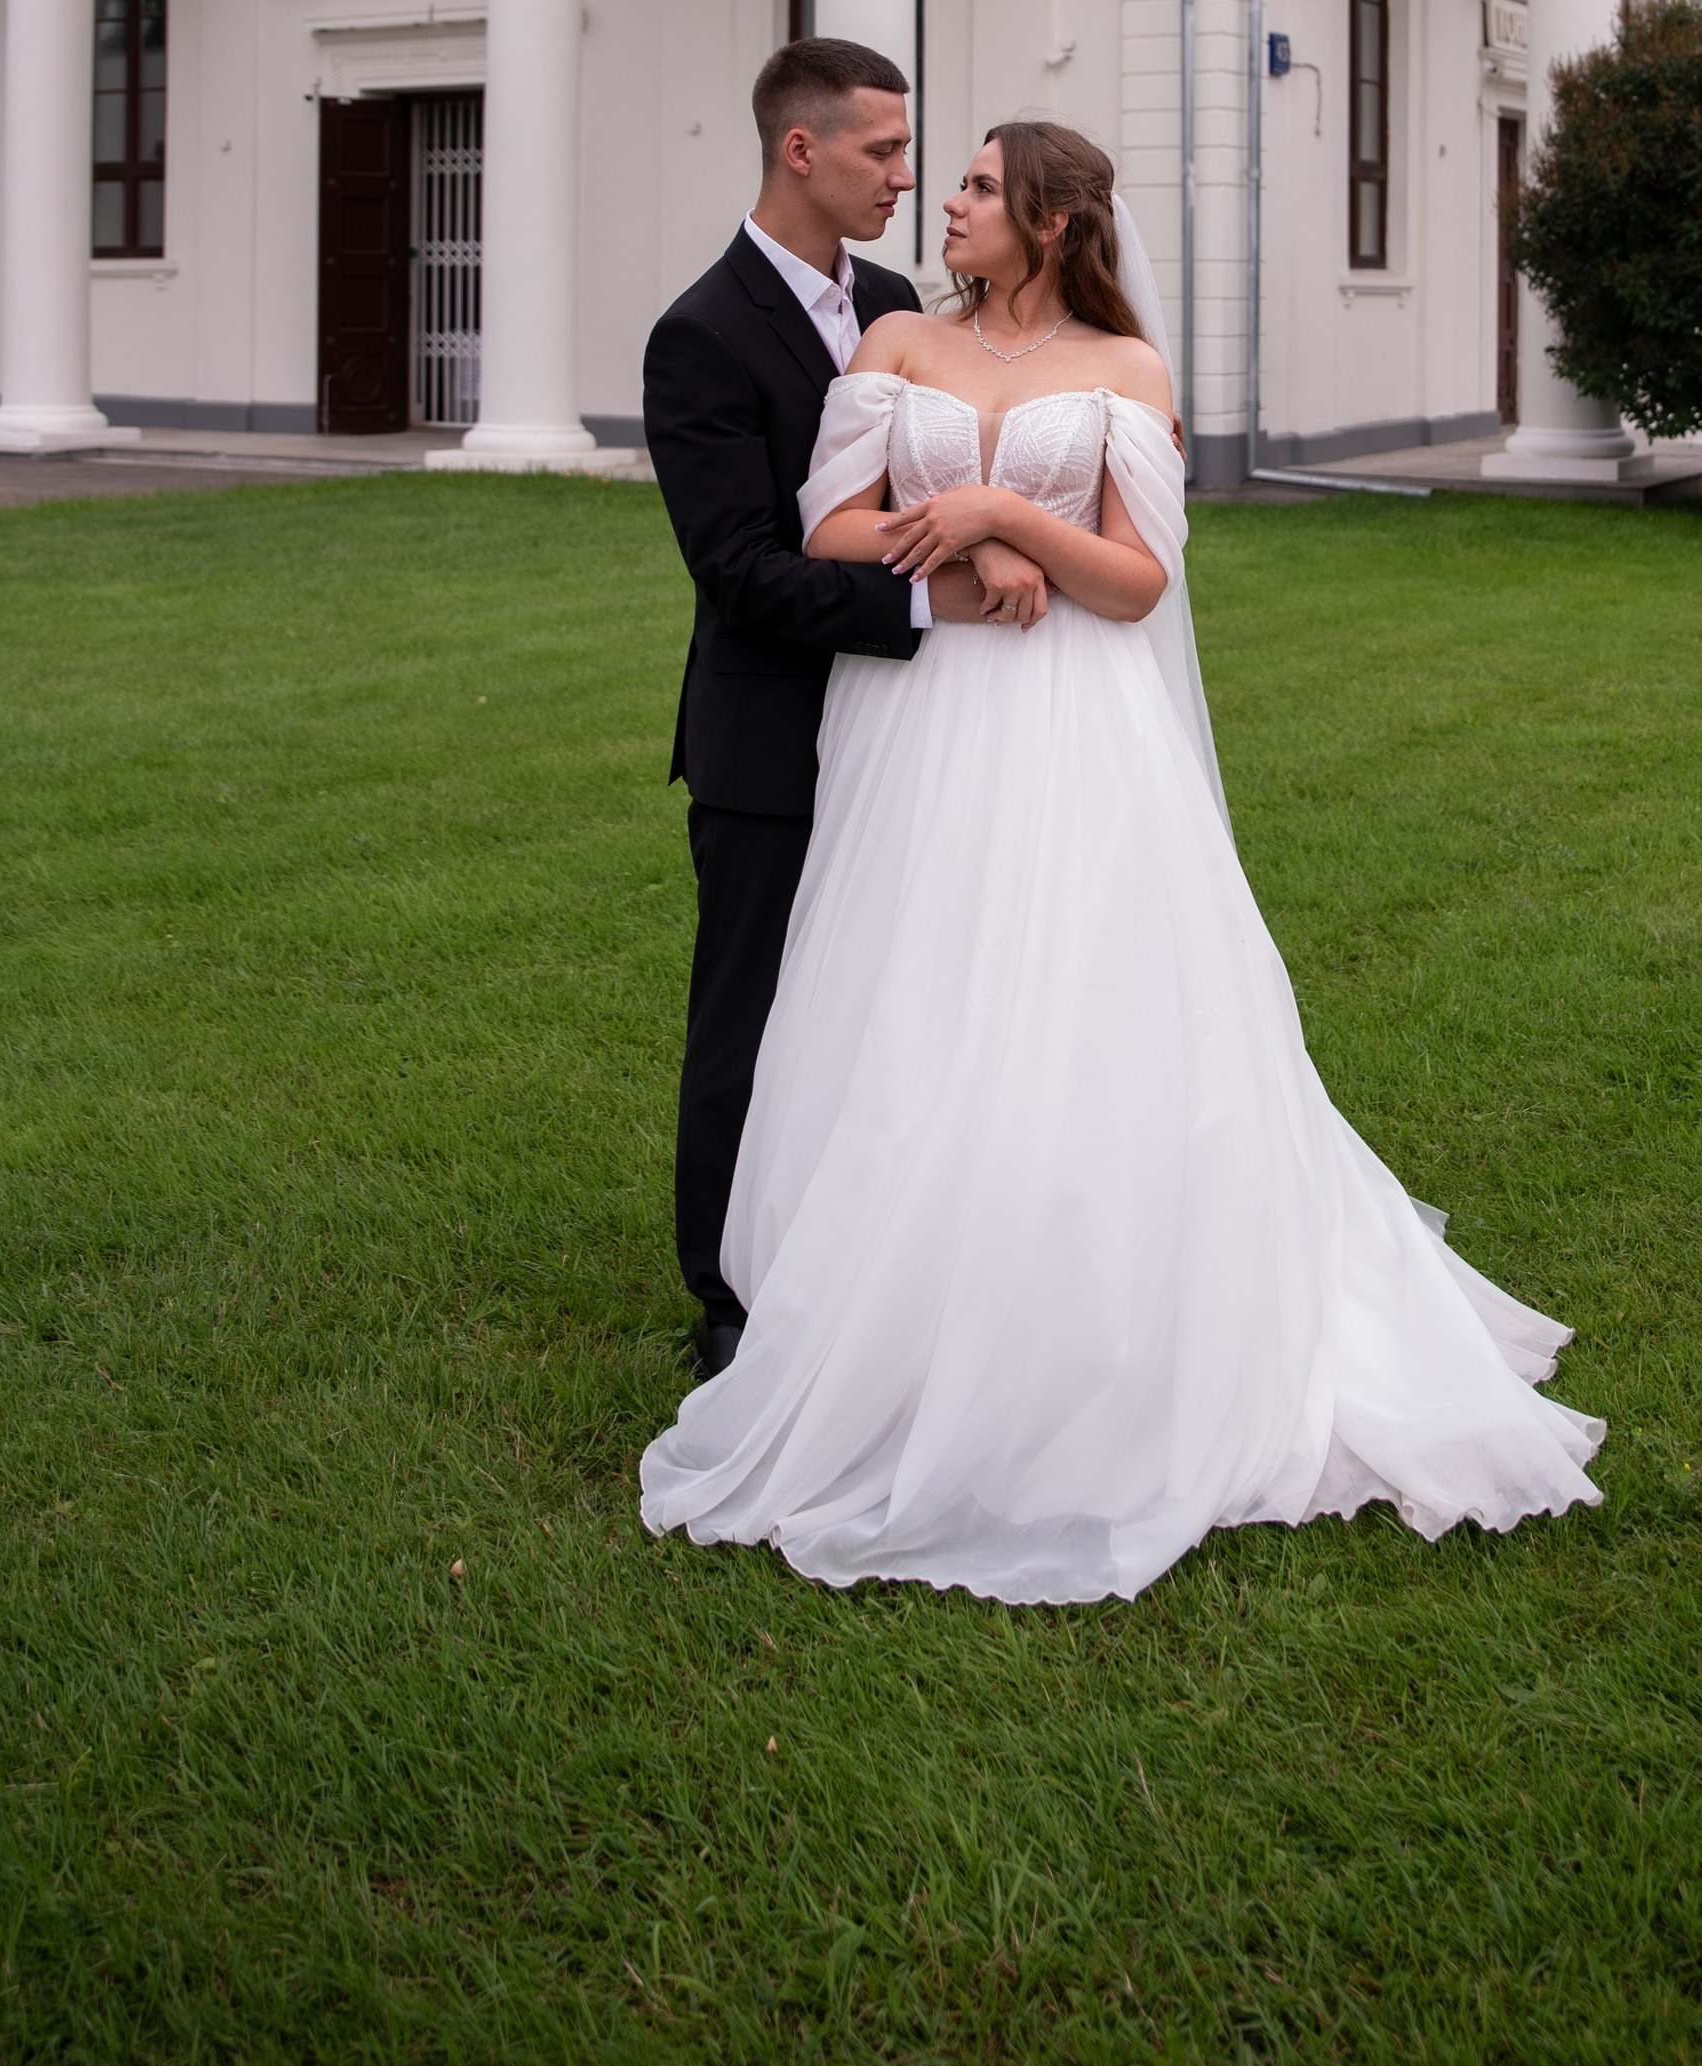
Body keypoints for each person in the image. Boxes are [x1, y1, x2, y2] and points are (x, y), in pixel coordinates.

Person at [641, 117, 1604, 1604]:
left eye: (972, 186)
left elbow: (1140, 584)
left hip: (1074, 727)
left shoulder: (1127, 371)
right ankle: (885, 1311)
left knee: (1077, 1002)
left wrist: (1011, 510)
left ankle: (1082, 1317)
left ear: (1047, 218)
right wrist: (966, 561)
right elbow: (825, 526)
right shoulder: (895, 340)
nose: (941, 204)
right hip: (916, 719)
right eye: (941, 178)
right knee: (908, 1004)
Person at [642, 40, 1046, 1387]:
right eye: (882, 151)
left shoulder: (890, 299)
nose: (906, 175)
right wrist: (938, 603)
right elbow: (743, 570)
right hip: (770, 737)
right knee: (747, 1013)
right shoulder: (698, 336)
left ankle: (861, 1251)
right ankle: (727, 1292)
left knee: (881, 1002)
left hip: (912, 736)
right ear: (799, 151)